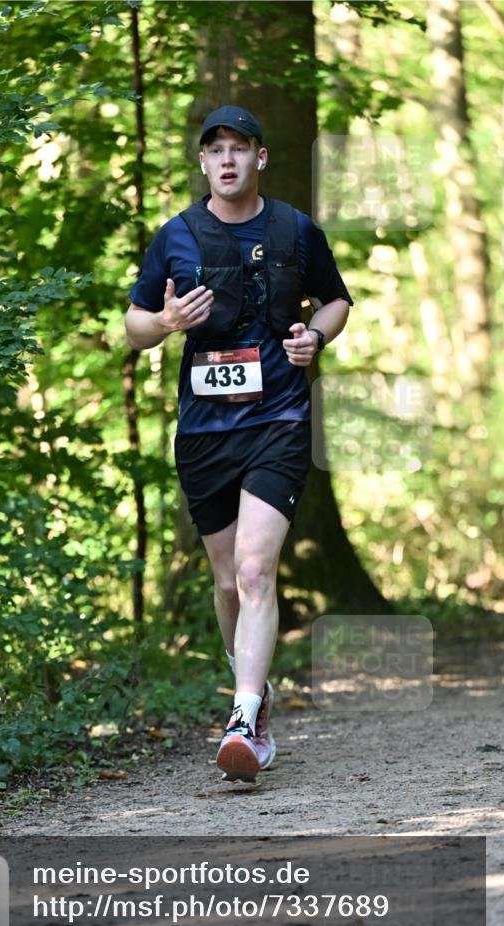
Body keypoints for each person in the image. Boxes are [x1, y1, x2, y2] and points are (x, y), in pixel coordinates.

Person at [125, 106, 353, 783]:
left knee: (255, 570)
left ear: (259, 158)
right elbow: (134, 324)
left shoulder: (293, 229)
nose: (227, 160)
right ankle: (251, 692)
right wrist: (165, 320)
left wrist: (316, 337)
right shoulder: (176, 236)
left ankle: (244, 718)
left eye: (239, 149)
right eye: (215, 150)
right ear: (201, 163)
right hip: (203, 431)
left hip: (278, 419)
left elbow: (336, 301)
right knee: (226, 582)